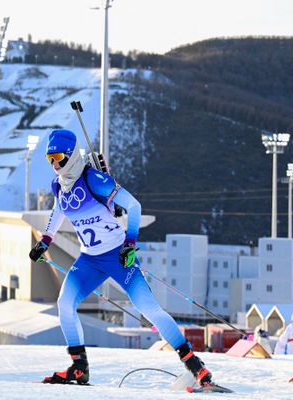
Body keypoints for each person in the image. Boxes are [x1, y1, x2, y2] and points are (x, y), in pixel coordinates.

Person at [29, 129, 214, 386]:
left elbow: (134, 206)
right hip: (89, 259)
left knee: (147, 308)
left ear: (71, 156)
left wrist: (130, 243)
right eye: (49, 158)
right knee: (65, 303)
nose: (54, 164)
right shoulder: (58, 186)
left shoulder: (94, 179)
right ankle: (79, 367)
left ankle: (195, 366)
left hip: (117, 256)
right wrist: (45, 240)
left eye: (58, 157)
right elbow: (57, 211)